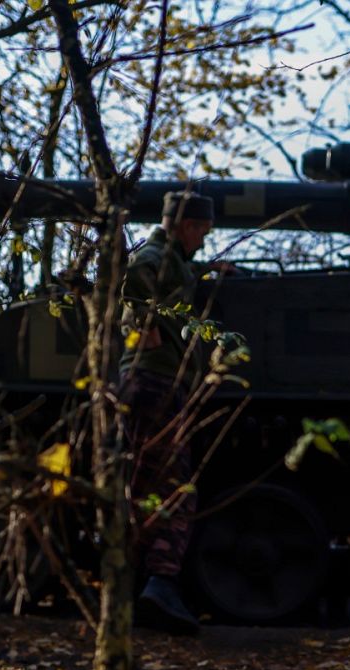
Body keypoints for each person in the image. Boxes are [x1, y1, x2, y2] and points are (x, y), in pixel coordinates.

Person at [117, 191, 218, 635]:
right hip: (156, 381)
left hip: (150, 383)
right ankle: (160, 583)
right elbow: (136, 277)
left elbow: (169, 278)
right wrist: (146, 326)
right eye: (200, 231)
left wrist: (205, 271)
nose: (202, 240)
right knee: (175, 488)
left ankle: (128, 585)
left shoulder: (173, 258)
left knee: (142, 482)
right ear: (184, 225)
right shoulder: (157, 254)